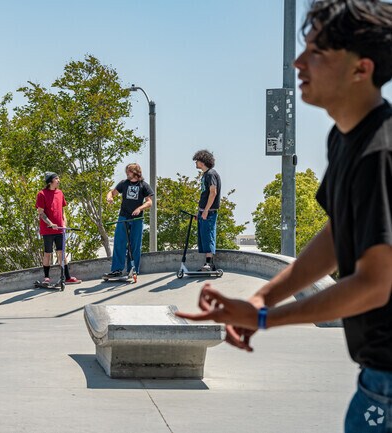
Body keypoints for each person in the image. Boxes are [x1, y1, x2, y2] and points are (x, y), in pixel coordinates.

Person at [176, 1, 392, 431]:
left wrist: (263, 318)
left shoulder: (379, 152)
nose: (298, 62)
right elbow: (337, 235)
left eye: (317, 52)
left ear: (360, 69)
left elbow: (375, 284)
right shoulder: (346, 137)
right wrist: (260, 298)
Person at [104, 163, 154, 278]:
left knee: (135, 245)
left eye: (129, 171)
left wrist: (139, 208)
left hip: (137, 218)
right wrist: (110, 197)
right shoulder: (124, 183)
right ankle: (116, 269)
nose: (127, 173)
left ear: (136, 172)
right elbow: (112, 192)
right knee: (119, 242)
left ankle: (133, 269)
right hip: (123, 217)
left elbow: (149, 202)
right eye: (127, 171)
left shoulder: (144, 185)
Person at [35, 172, 81, 285]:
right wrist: (50, 223)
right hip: (48, 230)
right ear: (50, 181)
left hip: (60, 229)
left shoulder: (60, 193)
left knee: (62, 253)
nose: (59, 180)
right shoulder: (41, 194)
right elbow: (41, 213)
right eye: (56, 178)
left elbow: (62, 210)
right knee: (48, 253)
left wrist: (64, 222)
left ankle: (67, 277)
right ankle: (46, 278)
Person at [192, 150, 221, 271]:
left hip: (209, 211)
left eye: (197, 161)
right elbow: (204, 195)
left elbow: (213, 192)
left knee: (209, 235)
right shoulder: (205, 175)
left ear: (202, 161)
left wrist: (206, 211)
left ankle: (209, 263)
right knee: (204, 236)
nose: (195, 163)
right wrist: (199, 211)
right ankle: (208, 263)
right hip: (203, 211)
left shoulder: (211, 174)